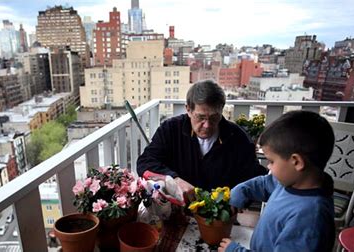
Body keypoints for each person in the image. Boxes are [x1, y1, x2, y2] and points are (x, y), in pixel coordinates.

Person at [219, 110, 335, 252]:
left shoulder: (309, 218)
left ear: (296, 162)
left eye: (271, 161)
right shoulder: (292, 182)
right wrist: (241, 192)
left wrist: (235, 251)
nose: (268, 166)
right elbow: (264, 184)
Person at [137, 80, 266, 196]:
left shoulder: (238, 138)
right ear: (188, 109)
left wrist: (238, 198)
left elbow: (252, 177)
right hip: (177, 210)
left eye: (214, 118)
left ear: (221, 110)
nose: (207, 125)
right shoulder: (170, 129)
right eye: (201, 117)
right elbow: (145, 162)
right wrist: (173, 179)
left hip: (219, 215)